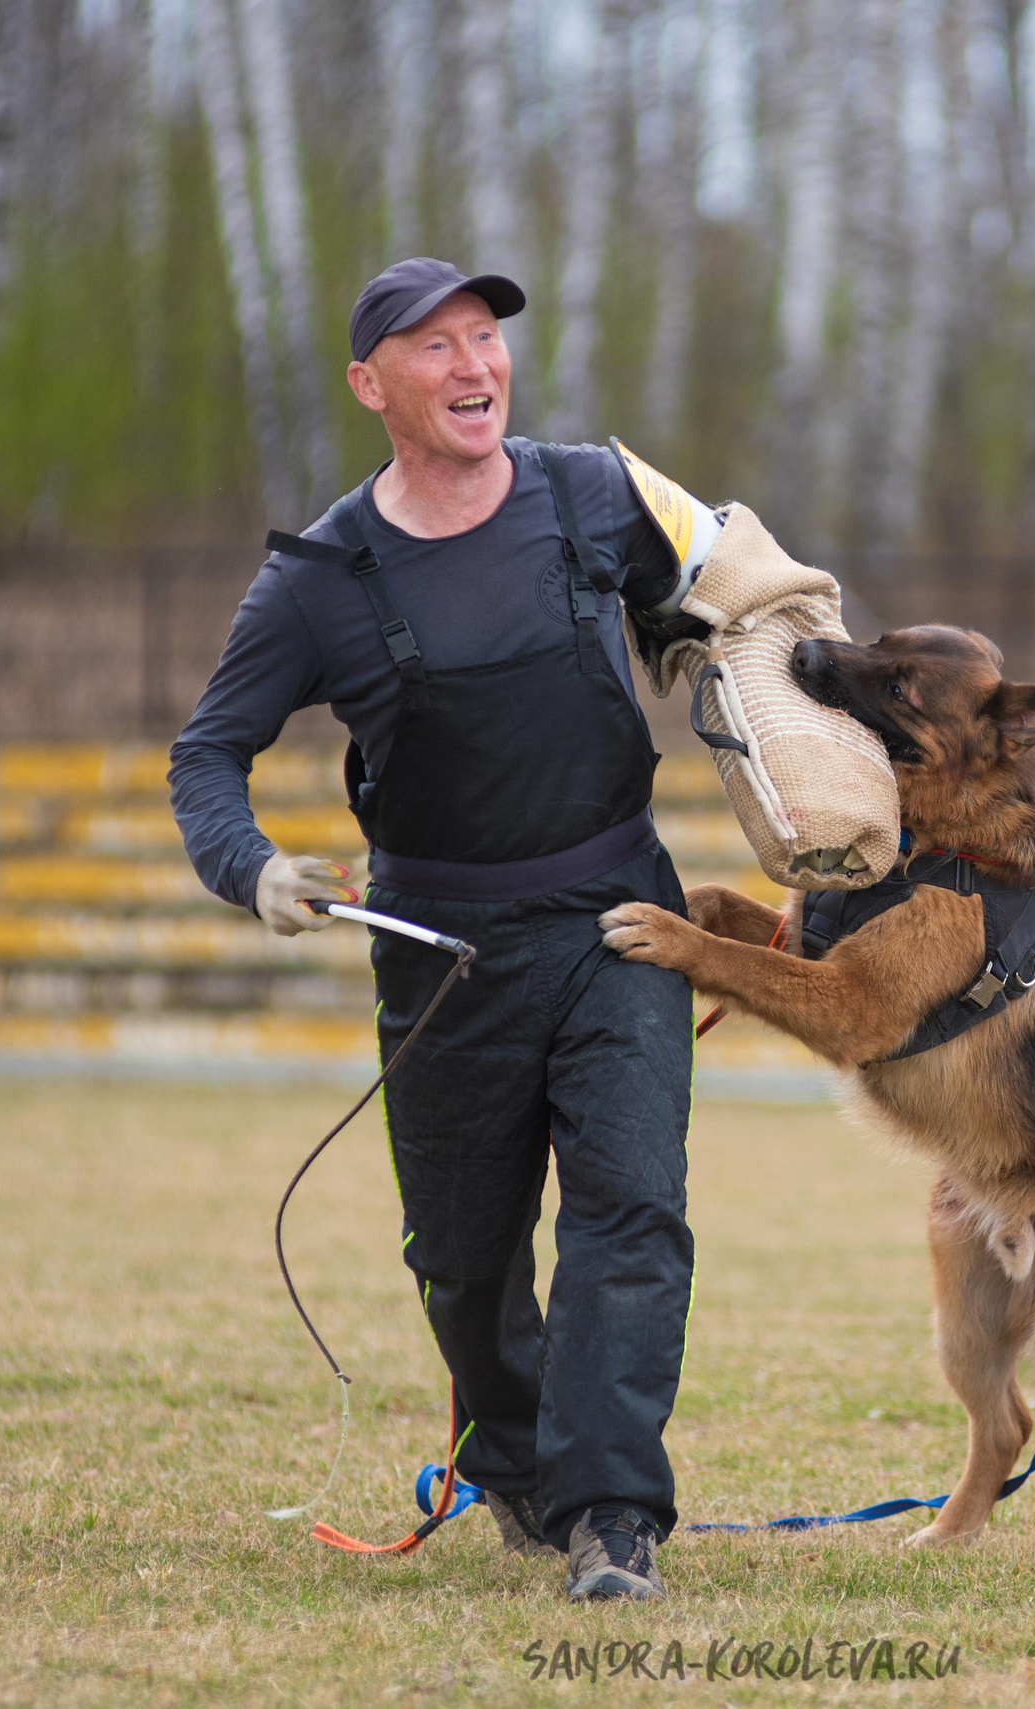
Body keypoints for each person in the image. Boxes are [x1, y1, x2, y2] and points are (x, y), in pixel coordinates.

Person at [170, 258, 717, 1602]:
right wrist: (253, 872)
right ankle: (523, 1473)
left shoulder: (596, 492)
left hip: (620, 918)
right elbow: (205, 757)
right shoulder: (318, 579)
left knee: (633, 1206)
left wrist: (763, 655)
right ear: (371, 386)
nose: (476, 364)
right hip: (439, 948)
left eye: (488, 338)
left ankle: (612, 1520)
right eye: (437, 347)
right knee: (463, 1263)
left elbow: (729, 585)